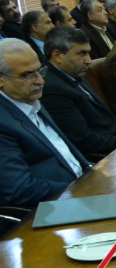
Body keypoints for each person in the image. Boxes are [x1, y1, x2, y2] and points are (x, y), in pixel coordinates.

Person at [0, 39, 88, 208]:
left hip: (82, 188)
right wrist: (81, 188)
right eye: (27, 75)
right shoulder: (3, 122)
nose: (40, 81)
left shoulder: (30, 100)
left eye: (40, 71)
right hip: (51, 208)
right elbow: (20, 190)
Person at [41, 27, 116, 157]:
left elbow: (104, 118)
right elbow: (83, 140)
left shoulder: (72, 73)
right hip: (105, 156)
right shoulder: (52, 89)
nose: (88, 60)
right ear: (57, 56)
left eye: (88, 53)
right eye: (81, 54)